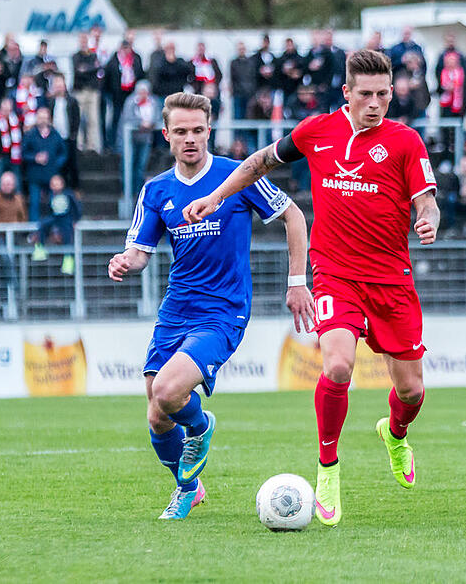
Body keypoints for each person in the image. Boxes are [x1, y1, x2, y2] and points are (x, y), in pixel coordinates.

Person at [183, 50, 440, 527]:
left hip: (391, 279)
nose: (376, 104)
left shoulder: (405, 141)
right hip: (335, 272)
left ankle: (396, 433)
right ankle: (327, 468)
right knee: (338, 366)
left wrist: (427, 220)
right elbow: (259, 162)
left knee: (412, 391)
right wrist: (215, 195)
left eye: (383, 95)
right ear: (347, 93)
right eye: (366, 95)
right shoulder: (316, 131)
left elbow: (426, 201)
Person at [107, 92, 314, 520]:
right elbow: (141, 251)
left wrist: (297, 282)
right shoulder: (157, 190)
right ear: (166, 135)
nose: (190, 139)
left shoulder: (236, 177)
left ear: (209, 131)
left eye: (198, 131)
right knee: (156, 414)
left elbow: (294, 217)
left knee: (167, 391)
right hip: (175, 309)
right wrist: (126, 261)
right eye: (180, 131)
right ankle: (188, 489)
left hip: (222, 311)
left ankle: (201, 427)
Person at [22, 107, 67, 221]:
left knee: (54, 204)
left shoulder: (55, 134)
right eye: (40, 117)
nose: (42, 120)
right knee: (34, 204)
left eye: (45, 117)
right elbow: (23, 153)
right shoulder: (30, 134)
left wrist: (55, 164)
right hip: (35, 175)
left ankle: (54, 229)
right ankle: (34, 232)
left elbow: (63, 153)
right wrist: (35, 158)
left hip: (51, 175)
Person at [31, 174, 81, 274]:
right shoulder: (50, 195)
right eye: (53, 184)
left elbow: (76, 208)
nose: (55, 186)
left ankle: (68, 258)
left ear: (62, 184)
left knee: (67, 235)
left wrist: (75, 220)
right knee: (42, 225)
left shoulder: (68, 194)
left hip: (66, 218)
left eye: (58, 184)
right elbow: (48, 209)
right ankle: (39, 248)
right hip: (55, 217)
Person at [121, 80, 161, 196]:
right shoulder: (130, 101)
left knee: (141, 165)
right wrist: (140, 123)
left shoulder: (153, 102)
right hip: (131, 139)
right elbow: (127, 118)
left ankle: (137, 190)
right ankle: (127, 191)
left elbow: (158, 116)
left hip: (146, 138)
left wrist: (150, 123)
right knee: (128, 164)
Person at [46, 74, 81, 189]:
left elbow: (76, 118)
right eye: (56, 85)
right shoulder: (50, 101)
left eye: (60, 85)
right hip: (55, 138)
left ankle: (74, 188)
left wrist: (73, 134)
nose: (59, 88)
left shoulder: (71, 101)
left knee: (72, 163)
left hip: (68, 137)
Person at [72, 32, 103, 152]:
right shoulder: (76, 56)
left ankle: (92, 146)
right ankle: (79, 145)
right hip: (80, 91)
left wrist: (87, 69)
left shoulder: (93, 55)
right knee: (78, 119)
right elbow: (79, 71)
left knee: (93, 120)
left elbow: (96, 68)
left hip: (92, 91)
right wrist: (91, 69)